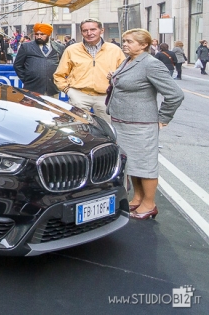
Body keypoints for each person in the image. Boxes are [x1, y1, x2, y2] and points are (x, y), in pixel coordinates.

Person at [107, 29, 183, 220]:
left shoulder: (151, 64)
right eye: (124, 41)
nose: (125, 44)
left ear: (144, 45)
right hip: (122, 122)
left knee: (145, 165)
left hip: (140, 124)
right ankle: (138, 198)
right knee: (131, 163)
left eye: (130, 41)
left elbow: (175, 95)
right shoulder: (129, 60)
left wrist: (164, 117)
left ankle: (149, 204)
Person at [53, 19, 124, 124]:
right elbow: (59, 75)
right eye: (85, 30)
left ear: (102, 30)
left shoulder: (114, 50)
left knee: (107, 129)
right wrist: (69, 91)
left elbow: (124, 73)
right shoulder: (71, 50)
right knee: (77, 128)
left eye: (93, 29)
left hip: (105, 97)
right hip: (79, 96)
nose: (89, 33)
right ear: (81, 32)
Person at [13, 23, 63, 96]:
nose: (39, 37)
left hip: (52, 89)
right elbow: (17, 65)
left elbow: (63, 66)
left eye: (42, 34)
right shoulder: (26, 47)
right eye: (37, 34)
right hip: (32, 89)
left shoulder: (59, 47)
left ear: (48, 34)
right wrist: (27, 79)